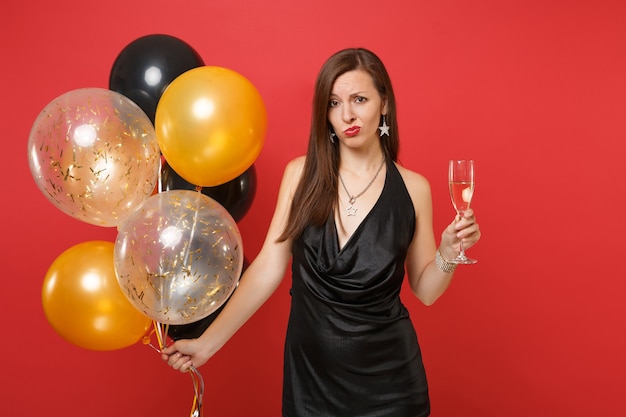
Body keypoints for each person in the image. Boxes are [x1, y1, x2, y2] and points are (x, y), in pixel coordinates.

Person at [162, 47, 481, 416]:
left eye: (359, 99)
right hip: (310, 380)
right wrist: (207, 343)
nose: (347, 115)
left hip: (391, 384)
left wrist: (446, 252)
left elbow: (425, 292)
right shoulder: (301, 175)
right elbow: (268, 267)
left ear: (384, 104)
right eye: (333, 103)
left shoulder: (414, 189)